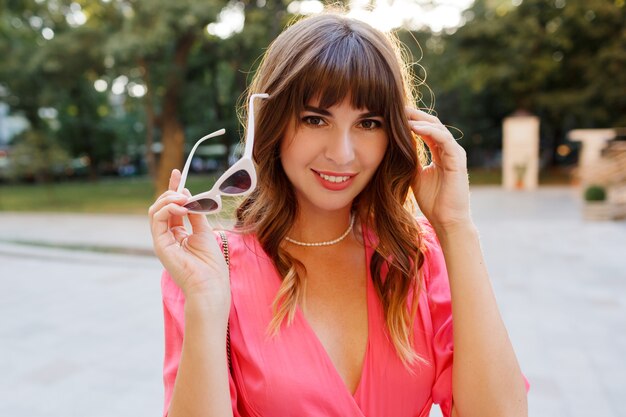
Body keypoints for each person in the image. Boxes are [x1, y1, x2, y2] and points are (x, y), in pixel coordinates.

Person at [149, 11, 529, 417]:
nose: (342, 153)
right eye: (315, 118)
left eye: (368, 122)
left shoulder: (417, 257)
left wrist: (456, 227)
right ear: (272, 125)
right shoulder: (211, 268)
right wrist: (206, 303)